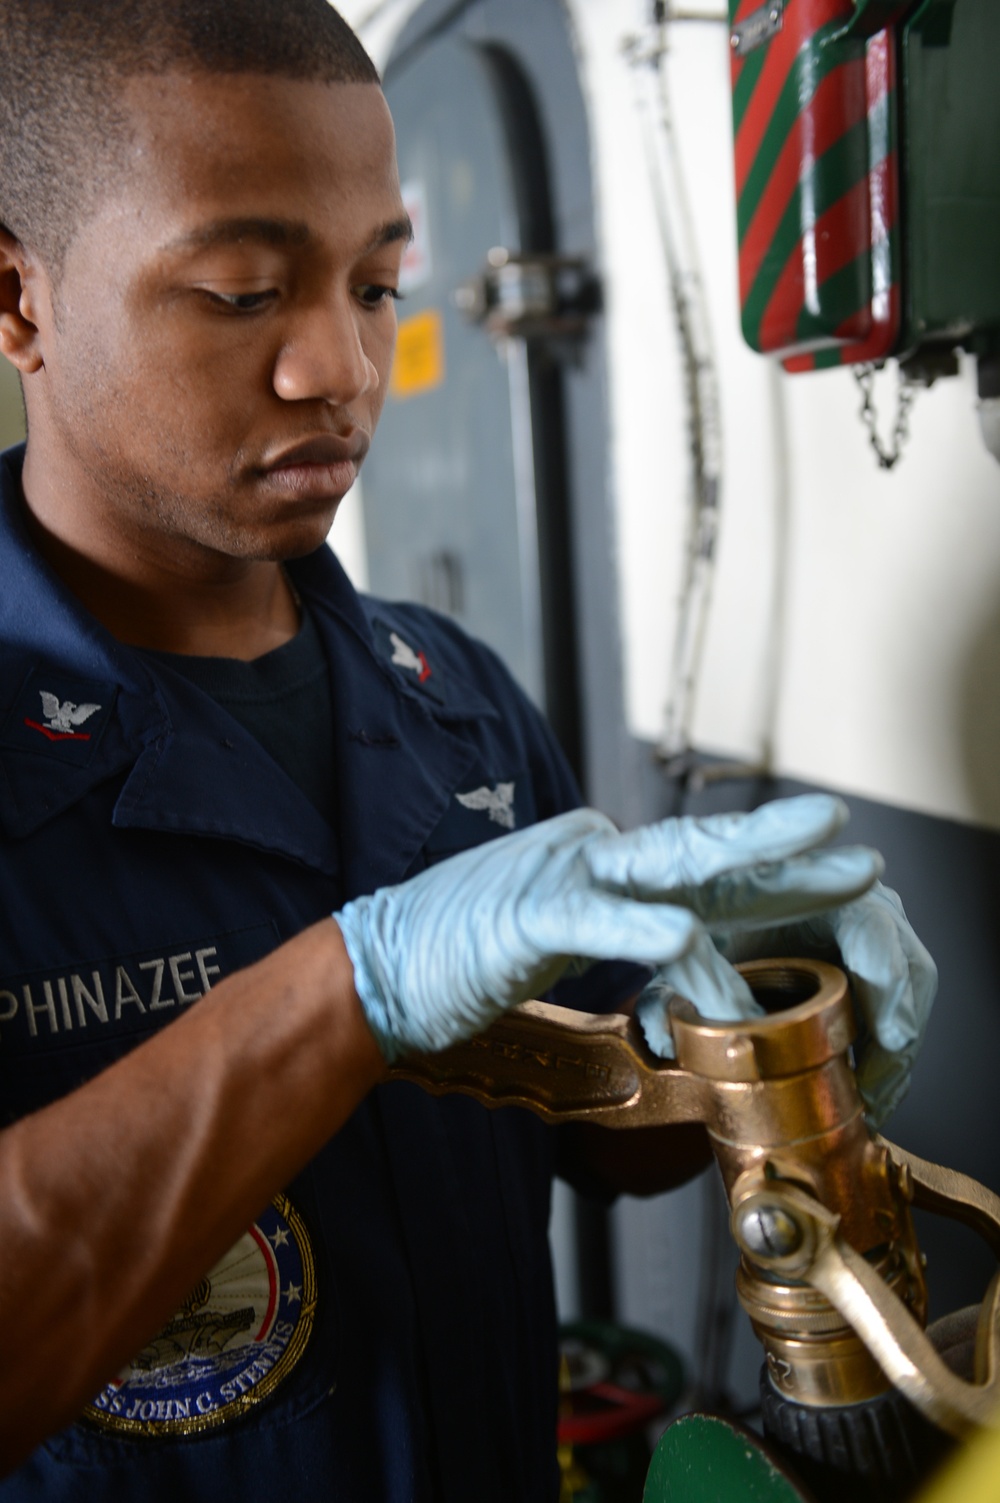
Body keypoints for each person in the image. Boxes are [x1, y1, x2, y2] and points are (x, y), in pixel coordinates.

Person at [0, 2, 935, 1498]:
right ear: (20, 300)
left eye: (377, 284)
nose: (341, 369)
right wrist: (353, 990)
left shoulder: (455, 700)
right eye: (245, 291)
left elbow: (605, 1142)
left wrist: (750, 1029)